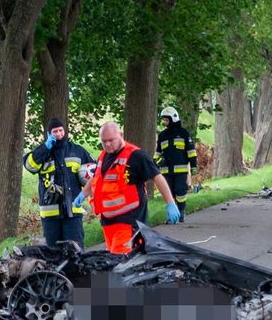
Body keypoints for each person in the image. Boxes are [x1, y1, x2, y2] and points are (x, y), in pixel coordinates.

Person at [74, 121, 181, 254]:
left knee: (122, 264)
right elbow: (97, 178)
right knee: (115, 262)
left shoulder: (136, 156)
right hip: (108, 223)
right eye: (104, 141)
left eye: (111, 140)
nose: (107, 144)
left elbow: (157, 177)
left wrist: (170, 203)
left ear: (121, 135)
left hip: (129, 223)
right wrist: (83, 194)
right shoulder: (104, 156)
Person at [23, 117, 94, 247]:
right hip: (50, 214)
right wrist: (45, 148)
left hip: (73, 212)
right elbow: (29, 165)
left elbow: (93, 172)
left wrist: (86, 190)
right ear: (49, 134)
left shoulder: (77, 150)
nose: (59, 134)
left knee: (75, 250)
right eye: (55, 131)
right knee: (52, 253)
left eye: (61, 130)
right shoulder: (42, 152)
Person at [154, 105, 197, 217]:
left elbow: (191, 151)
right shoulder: (162, 135)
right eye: (163, 120)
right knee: (169, 192)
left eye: (166, 120)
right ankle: (172, 215)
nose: (164, 122)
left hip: (180, 170)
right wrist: (153, 163)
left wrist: (193, 166)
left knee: (180, 191)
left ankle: (181, 211)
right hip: (165, 170)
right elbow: (158, 152)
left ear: (173, 118)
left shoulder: (184, 133)